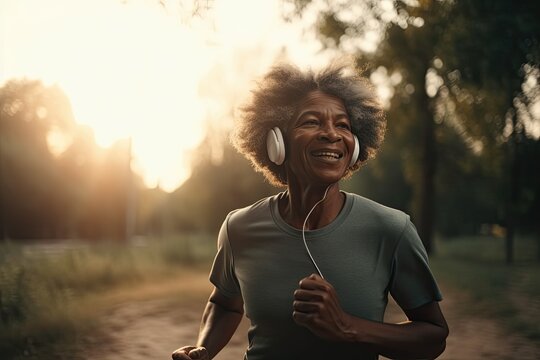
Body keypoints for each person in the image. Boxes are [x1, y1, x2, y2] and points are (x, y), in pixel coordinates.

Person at [172, 62, 449, 360]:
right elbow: (225, 303)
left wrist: (346, 327)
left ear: (355, 147)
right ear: (276, 142)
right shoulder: (239, 227)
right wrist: (204, 347)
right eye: (311, 121)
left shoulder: (390, 228)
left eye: (343, 124)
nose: (331, 134)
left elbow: (433, 336)